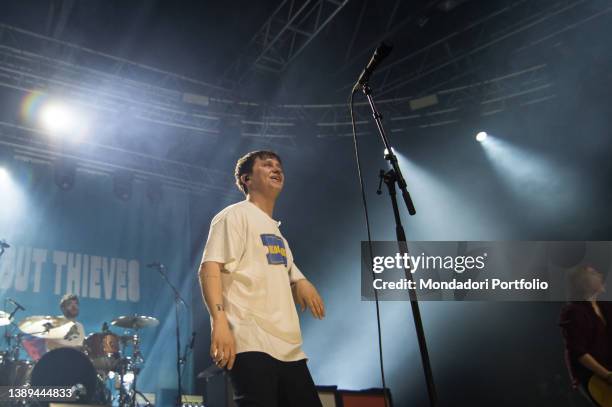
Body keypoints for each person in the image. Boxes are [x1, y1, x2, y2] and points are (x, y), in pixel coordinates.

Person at [199, 150, 325, 407]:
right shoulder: (234, 215)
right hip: (251, 338)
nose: (276, 169)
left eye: (279, 166)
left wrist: (300, 281)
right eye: (267, 165)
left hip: (289, 347)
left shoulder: (275, 230)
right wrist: (218, 319)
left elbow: (282, 265)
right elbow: (209, 267)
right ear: (246, 179)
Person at [559, 265, 612, 405]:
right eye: (593, 273)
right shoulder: (573, 312)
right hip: (593, 376)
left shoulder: (606, 307)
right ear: (582, 282)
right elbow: (578, 352)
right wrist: (607, 375)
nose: (600, 274)